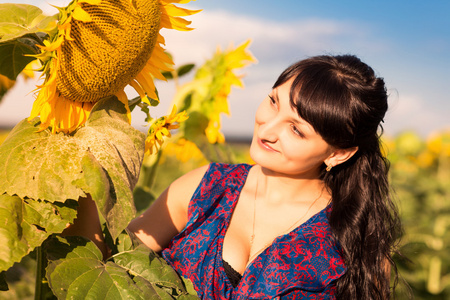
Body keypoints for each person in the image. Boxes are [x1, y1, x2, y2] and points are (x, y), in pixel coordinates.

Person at [128, 54, 402, 299]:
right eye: (273, 102)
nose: (267, 129)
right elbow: (116, 261)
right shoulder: (206, 187)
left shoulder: (354, 241)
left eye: (296, 130)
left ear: (338, 154)